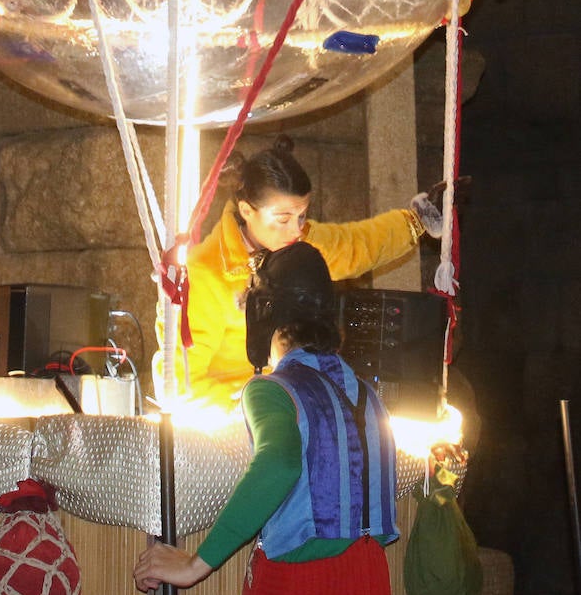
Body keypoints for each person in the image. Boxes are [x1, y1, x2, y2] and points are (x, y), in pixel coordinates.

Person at [135, 241, 399, 595]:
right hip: (370, 592)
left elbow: (278, 463)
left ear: (263, 313)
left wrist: (195, 563)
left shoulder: (272, 388)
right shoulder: (368, 394)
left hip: (304, 594)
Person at [160, 135, 455, 408]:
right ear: (247, 211)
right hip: (229, 430)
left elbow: (356, 246)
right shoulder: (204, 274)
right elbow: (180, 383)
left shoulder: (300, 248)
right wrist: (257, 411)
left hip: (293, 405)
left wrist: (417, 221)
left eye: (302, 216)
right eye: (283, 218)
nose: (297, 230)